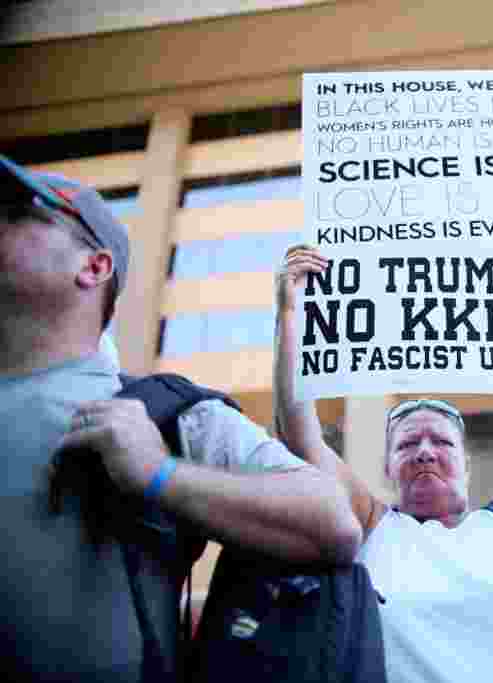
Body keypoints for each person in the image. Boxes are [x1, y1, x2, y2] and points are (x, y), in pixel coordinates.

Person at [0, 155, 363, 682]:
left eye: (15, 213)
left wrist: (158, 474)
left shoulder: (160, 415)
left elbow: (334, 520)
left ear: (93, 268)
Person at [273, 239, 493, 682]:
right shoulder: (371, 528)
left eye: (440, 441)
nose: (424, 451)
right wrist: (288, 314)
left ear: (467, 463)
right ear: (386, 469)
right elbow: (301, 435)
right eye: (406, 445)